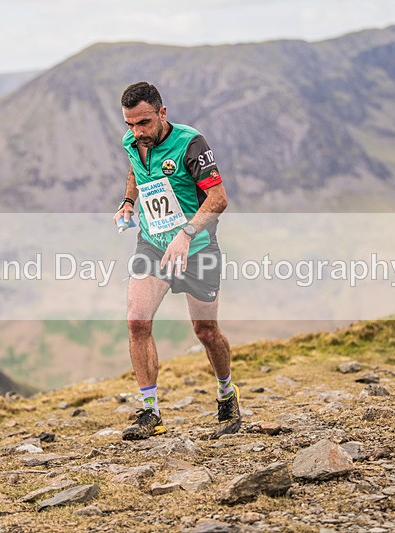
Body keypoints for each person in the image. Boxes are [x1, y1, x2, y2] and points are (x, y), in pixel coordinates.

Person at [113, 81, 241, 441]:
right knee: (137, 321)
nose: (138, 132)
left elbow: (218, 198)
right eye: (130, 125)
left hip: (197, 248)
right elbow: (135, 170)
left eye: (145, 123)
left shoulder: (190, 143)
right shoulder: (133, 141)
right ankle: (150, 412)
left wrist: (186, 234)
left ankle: (226, 393)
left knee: (206, 332)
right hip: (152, 245)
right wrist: (127, 203)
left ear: (162, 113)